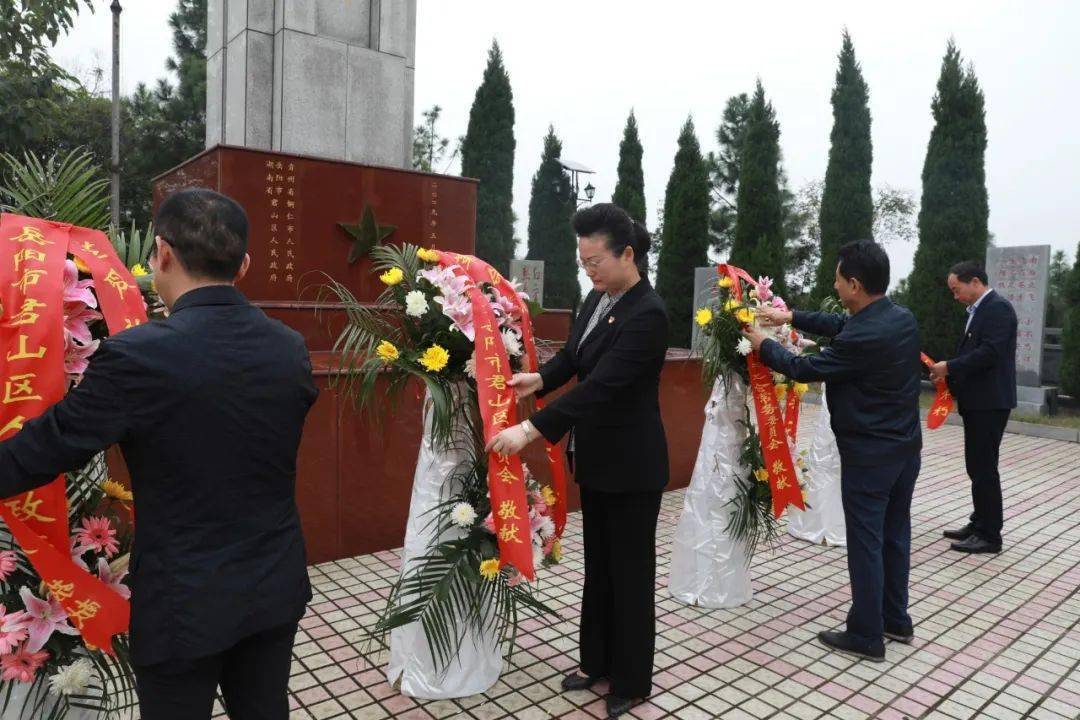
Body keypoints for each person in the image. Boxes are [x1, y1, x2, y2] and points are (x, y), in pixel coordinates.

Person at [0, 189, 318, 718]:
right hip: (274, 585)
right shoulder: (288, 347)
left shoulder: (139, 356)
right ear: (244, 265)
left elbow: (44, 448)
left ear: (162, 254)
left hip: (183, 605)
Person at [486, 203, 668, 719]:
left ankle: (631, 679)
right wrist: (539, 379)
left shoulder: (648, 314)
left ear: (627, 254)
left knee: (630, 572)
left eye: (595, 261)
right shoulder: (596, 299)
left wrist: (531, 428)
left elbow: (605, 385)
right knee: (599, 567)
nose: (588, 270)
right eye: (583, 261)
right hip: (596, 459)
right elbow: (574, 357)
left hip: (633, 466)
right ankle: (597, 661)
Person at [743, 240, 922, 663]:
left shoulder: (863, 335)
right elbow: (840, 324)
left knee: (866, 542)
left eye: (839, 280)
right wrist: (791, 317)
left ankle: (865, 634)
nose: (835, 286)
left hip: (869, 457)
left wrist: (761, 342)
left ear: (855, 284)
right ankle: (895, 619)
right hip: (904, 451)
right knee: (895, 534)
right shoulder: (899, 318)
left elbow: (804, 368)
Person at [928, 261, 1017, 554]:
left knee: (983, 468)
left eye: (957, 289)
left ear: (975, 282)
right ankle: (979, 522)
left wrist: (949, 367)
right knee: (976, 465)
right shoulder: (980, 310)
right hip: (978, 401)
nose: (955, 296)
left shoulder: (998, 309)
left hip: (990, 402)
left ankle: (990, 535)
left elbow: (990, 353)